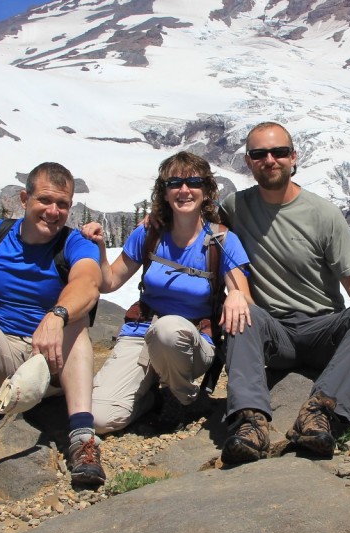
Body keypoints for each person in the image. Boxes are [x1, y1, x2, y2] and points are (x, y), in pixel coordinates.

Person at [219, 122, 350, 465]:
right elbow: (192, 220)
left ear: (293, 157)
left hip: (323, 328)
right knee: (243, 313)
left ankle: (320, 410)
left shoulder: (322, 213)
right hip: (275, 332)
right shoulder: (234, 208)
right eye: (259, 154)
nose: (270, 160)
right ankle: (251, 421)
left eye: (279, 152)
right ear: (248, 162)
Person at [0, 162, 105, 485]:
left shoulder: (73, 243)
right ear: (25, 199)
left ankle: (83, 439)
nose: (53, 212)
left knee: (77, 322)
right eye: (45, 201)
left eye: (62, 204)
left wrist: (57, 315)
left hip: (49, 360)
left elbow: (88, 283)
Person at [81, 151, 252, 434]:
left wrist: (235, 294)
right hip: (140, 334)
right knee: (99, 419)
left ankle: (184, 398)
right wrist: (99, 247)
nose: (184, 190)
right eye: (175, 183)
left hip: (191, 342)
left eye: (193, 182)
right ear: (165, 192)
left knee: (169, 329)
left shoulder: (222, 240)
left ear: (206, 190)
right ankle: (150, 396)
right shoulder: (150, 234)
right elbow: (109, 282)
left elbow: (243, 295)